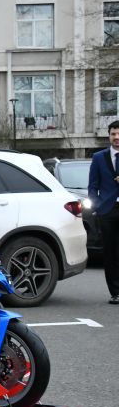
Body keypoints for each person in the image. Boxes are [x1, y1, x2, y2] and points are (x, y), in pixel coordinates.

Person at [87, 119, 119, 305]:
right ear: (109, 136)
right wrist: (98, 207)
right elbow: (93, 186)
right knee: (110, 253)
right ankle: (115, 292)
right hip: (107, 211)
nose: (117, 137)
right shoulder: (99, 157)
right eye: (113, 134)